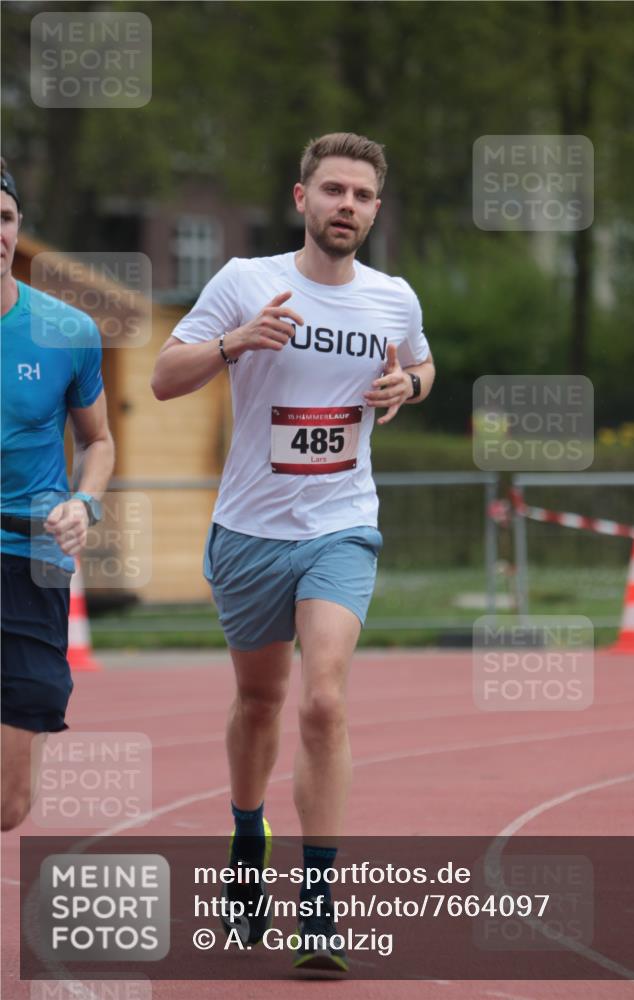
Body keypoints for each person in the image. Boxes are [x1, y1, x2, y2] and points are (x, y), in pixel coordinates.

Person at [151, 132, 435, 970]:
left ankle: (319, 904)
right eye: (333, 190)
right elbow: (165, 377)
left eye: (361, 195)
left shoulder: (393, 299)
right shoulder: (246, 282)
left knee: (324, 701)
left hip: (340, 525)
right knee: (261, 703)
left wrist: (404, 387)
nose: (346, 206)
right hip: (247, 530)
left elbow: (421, 366)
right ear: (300, 198)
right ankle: (247, 835)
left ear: (375, 210)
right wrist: (236, 343)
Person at [1, 157, 115, 831]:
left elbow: (97, 442)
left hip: (32, 559)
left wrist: (85, 502)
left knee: (11, 805)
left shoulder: (67, 332)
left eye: (6, 218)